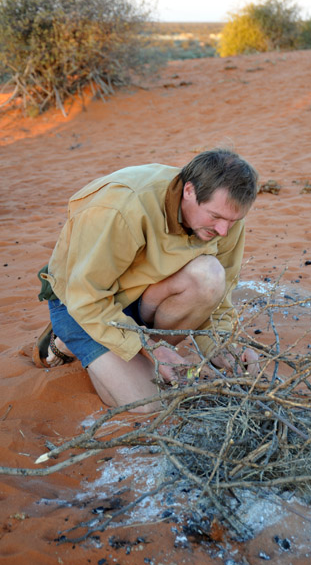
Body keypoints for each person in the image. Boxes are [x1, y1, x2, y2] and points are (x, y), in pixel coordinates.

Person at [34, 148, 259, 412]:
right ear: (189, 191)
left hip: (140, 294)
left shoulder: (227, 215)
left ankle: (133, 351)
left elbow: (220, 300)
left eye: (233, 221)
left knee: (209, 275)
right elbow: (86, 298)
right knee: (148, 404)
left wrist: (223, 347)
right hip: (82, 303)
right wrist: (153, 348)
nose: (224, 230)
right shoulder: (122, 208)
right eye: (216, 217)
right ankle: (69, 339)